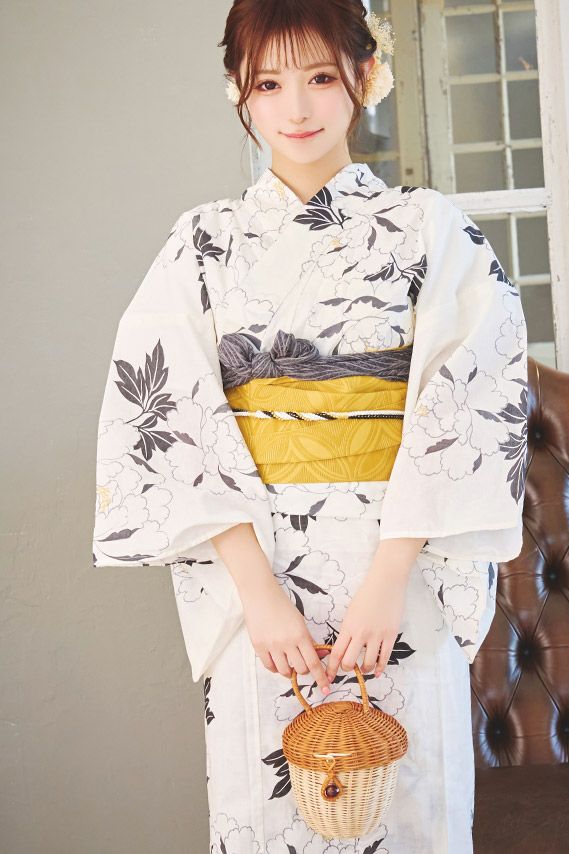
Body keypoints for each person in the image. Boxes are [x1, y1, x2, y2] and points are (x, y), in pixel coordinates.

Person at [92, 1, 528, 851]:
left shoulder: (429, 230)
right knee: (267, 821)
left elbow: (475, 402)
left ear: (365, 76)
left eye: (322, 77)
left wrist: (389, 580)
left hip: (402, 574)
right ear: (238, 91)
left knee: (411, 813)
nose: (296, 108)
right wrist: (259, 598)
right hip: (257, 585)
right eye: (269, 83)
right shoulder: (203, 244)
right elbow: (165, 413)